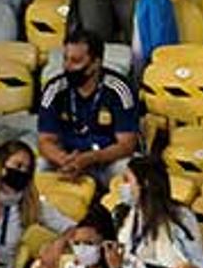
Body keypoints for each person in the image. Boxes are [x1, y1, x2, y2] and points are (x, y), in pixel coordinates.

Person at [36, 27, 140, 184]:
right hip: (66, 158)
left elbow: (127, 144)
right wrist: (64, 160)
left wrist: (90, 158)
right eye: (66, 59)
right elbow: (45, 141)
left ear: (96, 63)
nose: (67, 67)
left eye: (76, 61)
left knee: (128, 169)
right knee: (40, 166)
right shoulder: (54, 88)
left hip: (107, 160)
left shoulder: (118, 89)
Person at [118, 155, 203, 268]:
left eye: (128, 181)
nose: (123, 187)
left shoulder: (181, 216)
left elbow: (201, 265)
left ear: (145, 183)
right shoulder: (123, 214)